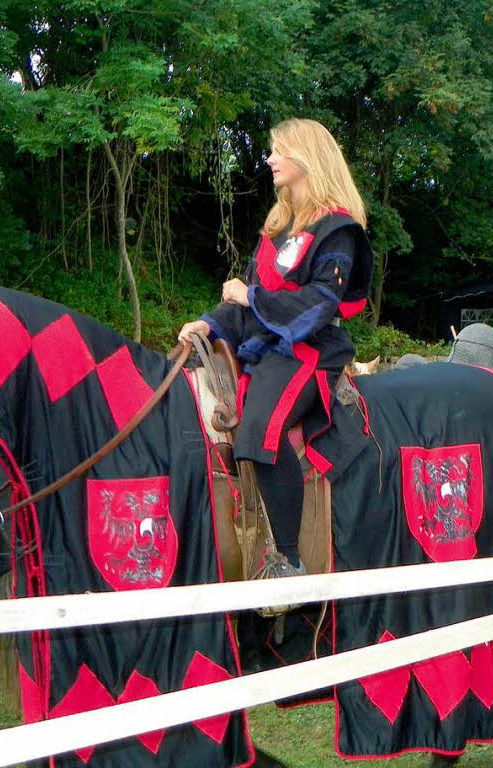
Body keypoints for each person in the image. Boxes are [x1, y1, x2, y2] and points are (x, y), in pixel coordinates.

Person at [177, 118, 373, 580]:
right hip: (267, 348)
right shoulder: (276, 229)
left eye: (277, 151)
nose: (269, 160)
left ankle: (288, 559)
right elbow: (245, 305)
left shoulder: (337, 229)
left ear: (305, 157)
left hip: (311, 351)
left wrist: (252, 298)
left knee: (258, 431)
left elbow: (321, 303)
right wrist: (208, 323)